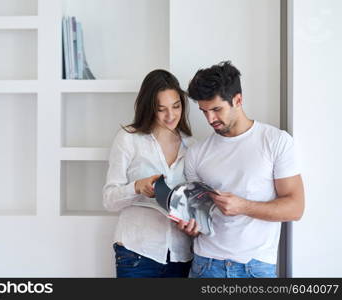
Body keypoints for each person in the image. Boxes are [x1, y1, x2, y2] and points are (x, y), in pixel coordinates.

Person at [178, 61, 305, 278]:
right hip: (206, 265)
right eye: (204, 111)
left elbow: (295, 208)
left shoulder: (275, 142)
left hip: (255, 268)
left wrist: (243, 206)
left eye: (217, 109)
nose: (210, 119)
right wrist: (191, 226)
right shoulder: (196, 153)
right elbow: (196, 213)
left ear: (238, 100)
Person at [103, 69, 195, 278]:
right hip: (137, 254)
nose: (171, 115)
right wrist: (137, 187)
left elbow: (192, 203)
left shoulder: (192, 146)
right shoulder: (128, 139)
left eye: (176, 106)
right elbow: (109, 200)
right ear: (149, 108)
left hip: (179, 256)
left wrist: (192, 220)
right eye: (161, 109)